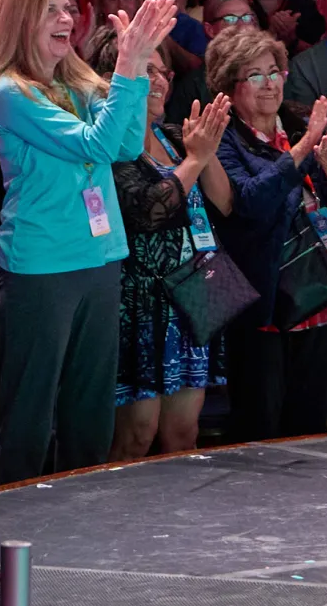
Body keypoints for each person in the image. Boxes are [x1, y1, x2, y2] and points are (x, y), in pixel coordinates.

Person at [0, 0, 176, 484]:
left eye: (67, 9)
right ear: (21, 22)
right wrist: (128, 67)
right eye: (51, 12)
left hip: (100, 259)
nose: (66, 19)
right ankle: (10, 534)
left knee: (90, 412)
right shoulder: (8, 92)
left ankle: (79, 533)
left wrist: (138, 68)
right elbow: (97, 146)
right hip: (43, 267)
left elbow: (128, 143)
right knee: (30, 418)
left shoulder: (73, 79)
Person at [207, 27, 327, 441]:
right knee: (260, 425)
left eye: (274, 71)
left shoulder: (296, 123)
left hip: (317, 294)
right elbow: (249, 204)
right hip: (263, 301)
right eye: (254, 75)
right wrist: (301, 152)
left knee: (309, 422)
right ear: (228, 86)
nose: (269, 83)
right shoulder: (223, 140)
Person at [82, 31, 233, 460]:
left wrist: (208, 148)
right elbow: (148, 213)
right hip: (140, 307)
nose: (162, 80)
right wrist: (196, 160)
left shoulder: (175, 137)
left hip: (195, 298)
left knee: (184, 435)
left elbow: (224, 203)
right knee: (136, 437)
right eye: (147, 70)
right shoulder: (110, 149)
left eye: (163, 70)